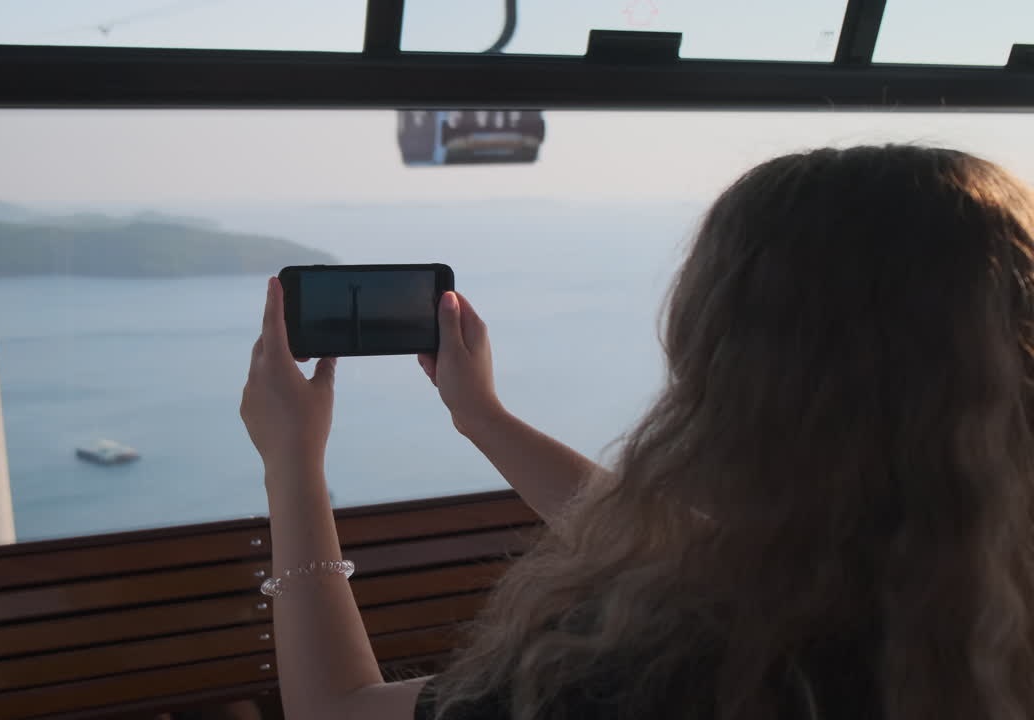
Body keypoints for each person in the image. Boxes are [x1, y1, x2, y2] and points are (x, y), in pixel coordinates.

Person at [239, 145, 1034, 720]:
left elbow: (339, 709)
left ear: (732, 372)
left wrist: (292, 463)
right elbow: (683, 551)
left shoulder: (671, 681)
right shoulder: (976, 592)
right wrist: (482, 418)